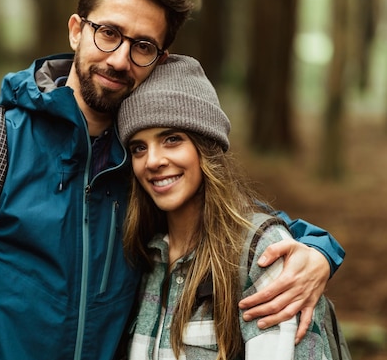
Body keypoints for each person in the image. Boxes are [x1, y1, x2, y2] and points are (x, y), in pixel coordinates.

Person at [0, 0, 344, 360]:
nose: (120, 58)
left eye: (143, 46)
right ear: (76, 30)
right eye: (109, 32)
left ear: (159, 59)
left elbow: (229, 221)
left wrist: (319, 250)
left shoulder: (146, 170)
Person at [117, 54, 336, 360]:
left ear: (205, 147)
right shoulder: (143, 255)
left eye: (172, 139)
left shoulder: (260, 254)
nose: (152, 161)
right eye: (139, 147)